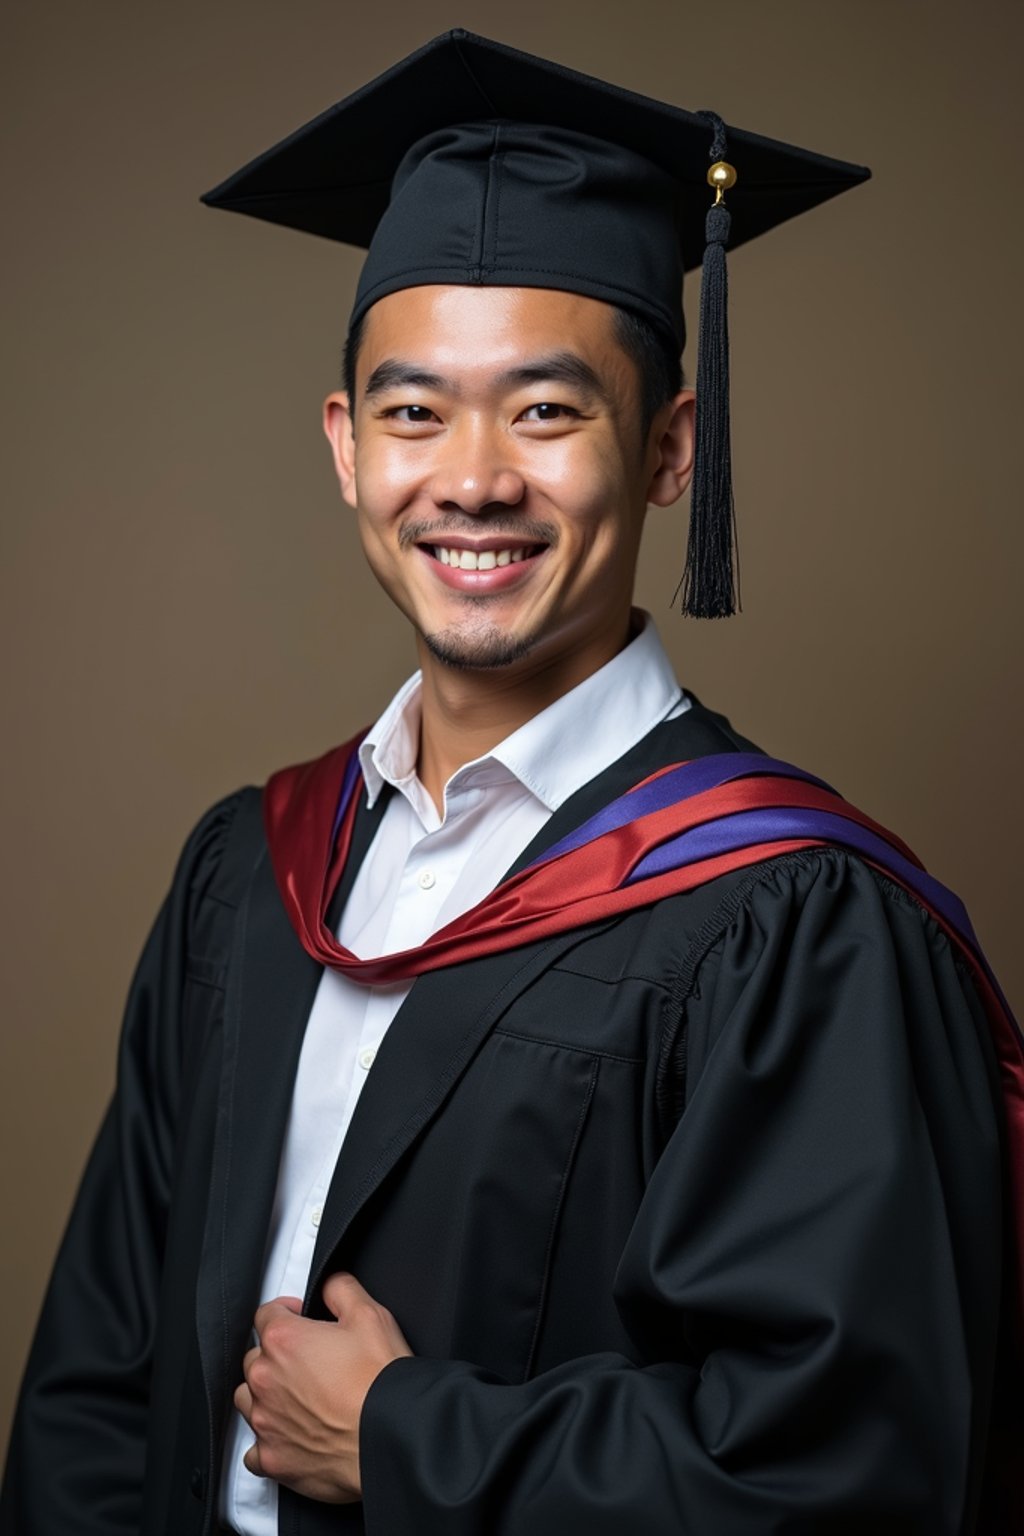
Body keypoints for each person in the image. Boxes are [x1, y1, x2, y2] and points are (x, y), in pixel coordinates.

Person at [2, 28, 1020, 1536]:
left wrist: (412, 1440)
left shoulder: (793, 923)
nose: (471, 477)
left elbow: (853, 1477)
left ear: (670, 449)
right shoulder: (250, 874)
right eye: (415, 412)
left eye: (547, 411)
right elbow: (98, 1375)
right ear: (347, 449)